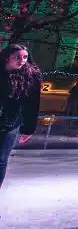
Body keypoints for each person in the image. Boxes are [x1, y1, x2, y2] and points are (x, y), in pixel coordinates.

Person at [0, 43, 42, 190]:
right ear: (7, 58)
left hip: (11, 123)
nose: (22, 60)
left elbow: (33, 104)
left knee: (1, 160)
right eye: (17, 57)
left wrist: (29, 128)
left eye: (24, 57)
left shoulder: (31, 76)